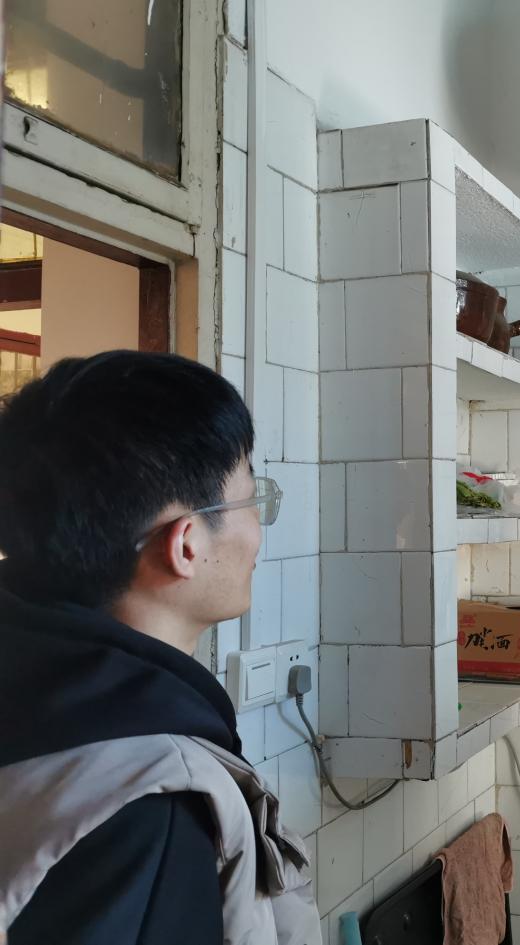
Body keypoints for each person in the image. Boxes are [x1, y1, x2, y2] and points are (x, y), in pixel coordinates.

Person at [0, 351, 321, 944]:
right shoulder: (152, 806)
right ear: (186, 544)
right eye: (251, 499)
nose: (258, 530)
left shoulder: (36, 691)